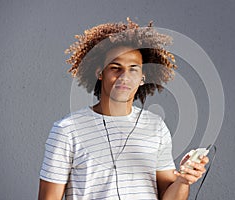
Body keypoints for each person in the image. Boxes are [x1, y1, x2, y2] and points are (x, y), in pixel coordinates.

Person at [38, 18, 209, 200]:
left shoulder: (156, 127)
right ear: (100, 73)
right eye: (115, 67)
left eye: (133, 69)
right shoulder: (67, 130)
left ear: (142, 78)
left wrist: (183, 180)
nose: (124, 77)